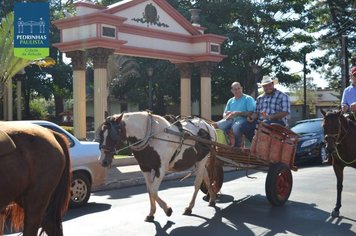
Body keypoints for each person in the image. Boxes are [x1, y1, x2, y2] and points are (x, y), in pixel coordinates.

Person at [241, 76, 291, 141]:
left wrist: (270, 117)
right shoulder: (260, 98)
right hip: (261, 122)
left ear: (273, 84)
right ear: (263, 87)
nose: (267, 88)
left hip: (278, 122)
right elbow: (256, 112)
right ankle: (256, 142)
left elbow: (285, 112)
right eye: (265, 86)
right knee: (244, 126)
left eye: (269, 85)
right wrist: (251, 117)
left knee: (266, 124)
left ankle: (262, 143)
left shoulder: (283, 96)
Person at [213, 82, 255, 147]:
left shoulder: (248, 98)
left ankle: (237, 146)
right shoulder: (230, 101)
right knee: (215, 125)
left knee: (236, 127)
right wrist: (227, 115)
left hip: (244, 120)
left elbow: (251, 112)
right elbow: (224, 114)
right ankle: (219, 145)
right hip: (231, 120)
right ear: (232, 91)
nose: (237, 90)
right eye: (235, 89)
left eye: (238, 88)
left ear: (241, 88)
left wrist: (237, 113)